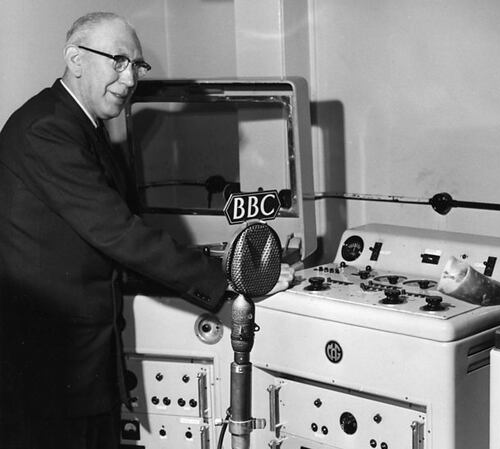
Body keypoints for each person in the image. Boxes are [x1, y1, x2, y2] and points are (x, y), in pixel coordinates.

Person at [0, 12, 293, 449]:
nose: (130, 78)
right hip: (50, 372)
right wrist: (228, 277)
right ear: (75, 59)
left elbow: (115, 233)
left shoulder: (83, 125)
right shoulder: (48, 129)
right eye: (118, 61)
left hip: (81, 364)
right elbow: (121, 234)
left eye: (136, 65)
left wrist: (217, 268)